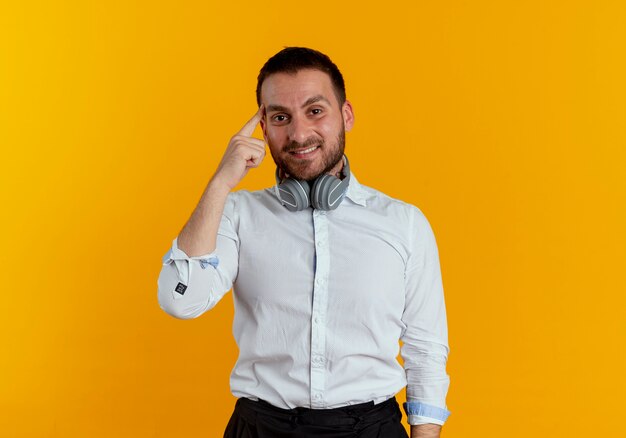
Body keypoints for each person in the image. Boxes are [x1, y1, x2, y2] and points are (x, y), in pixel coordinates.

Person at [157, 47, 451, 438]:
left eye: (315, 111)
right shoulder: (235, 215)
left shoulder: (405, 224)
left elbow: (426, 351)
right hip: (261, 428)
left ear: (346, 115)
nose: (298, 134)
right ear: (263, 127)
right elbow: (181, 300)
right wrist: (219, 184)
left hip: (370, 429)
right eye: (281, 117)